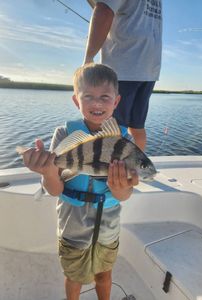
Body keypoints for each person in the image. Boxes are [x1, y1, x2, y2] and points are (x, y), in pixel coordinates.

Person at [20, 63, 138, 300]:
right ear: (76, 101)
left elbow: (124, 196)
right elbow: (54, 190)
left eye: (105, 97)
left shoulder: (125, 140)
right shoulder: (64, 134)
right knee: (74, 278)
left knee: (105, 275)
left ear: (116, 101)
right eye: (89, 97)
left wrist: (121, 188)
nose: (97, 103)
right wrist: (47, 173)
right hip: (73, 229)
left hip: (108, 230)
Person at [84, 0, 163, 151]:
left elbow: (104, 10)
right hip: (149, 67)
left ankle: (112, 173)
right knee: (137, 126)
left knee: (111, 128)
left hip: (124, 64)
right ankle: (135, 170)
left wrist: (88, 59)